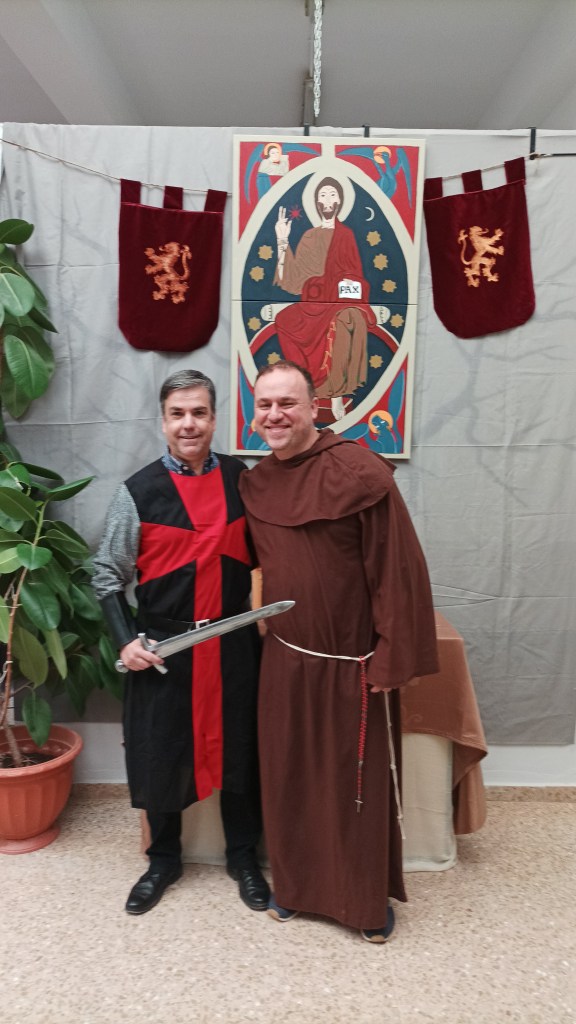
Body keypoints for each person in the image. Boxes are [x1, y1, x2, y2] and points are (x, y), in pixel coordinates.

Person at [239, 360, 438, 943]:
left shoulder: (358, 472)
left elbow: (397, 570)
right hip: (284, 659)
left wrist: (391, 656)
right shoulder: (255, 482)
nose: (275, 415)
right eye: (265, 404)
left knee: (355, 789)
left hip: (351, 665)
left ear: (314, 407)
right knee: (288, 780)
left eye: (287, 403)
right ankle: (295, 889)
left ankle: (363, 905)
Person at [92, 369, 269, 916]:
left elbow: (273, 553)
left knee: (241, 750)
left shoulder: (242, 480)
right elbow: (106, 574)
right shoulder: (138, 492)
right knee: (162, 753)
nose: (188, 424)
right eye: (177, 414)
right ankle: (162, 860)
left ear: (214, 419)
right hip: (165, 650)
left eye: (199, 413)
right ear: (163, 421)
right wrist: (126, 642)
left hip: (233, 643)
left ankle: (244, 857)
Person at [272, 177, 377, 420]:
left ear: (340, 201)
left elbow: (356, 276)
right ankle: (303, 386)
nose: (327, 200)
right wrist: (282, 240)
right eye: (322, 195)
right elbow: (292, 281)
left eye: (332, 195)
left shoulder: (346, 235)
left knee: (344, 319)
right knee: (283, 320)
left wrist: (346, 284)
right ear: (315, 202)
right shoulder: (309, 236)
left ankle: (336, 393)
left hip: (337, 301)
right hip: (311, 301)